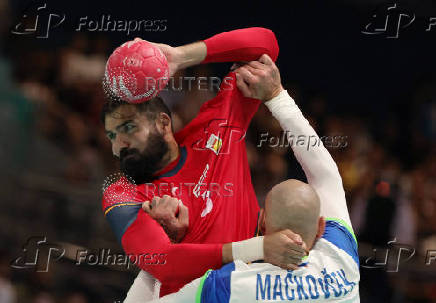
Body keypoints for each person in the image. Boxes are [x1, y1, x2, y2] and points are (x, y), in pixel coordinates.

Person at [101, 28, 307, 300]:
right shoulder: (124, 193)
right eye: (112, 136)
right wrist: (259, 248)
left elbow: (265, 43)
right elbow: (164, 262)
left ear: (163, 123)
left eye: (128, 128)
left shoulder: (217, 127)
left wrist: (179, 56)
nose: (119, 145)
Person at [146, 54, 360, 302]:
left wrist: (167, 240)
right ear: (321, 227)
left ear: (261, 224)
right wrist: (277, 95)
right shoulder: (341, 262)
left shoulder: (231, 285)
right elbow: (326, 175)